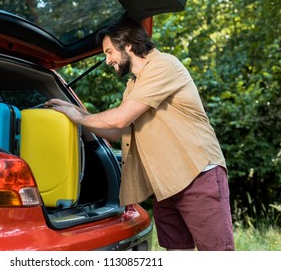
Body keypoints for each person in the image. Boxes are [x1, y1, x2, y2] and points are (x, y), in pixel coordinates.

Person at [46, 17, 235, 251]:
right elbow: (117, 131)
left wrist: (79, 117)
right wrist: (74, 111)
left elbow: (120, 117)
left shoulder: (163, 65)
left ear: (126, 45)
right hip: (165, 184)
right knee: (177, 253)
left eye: (108, 52)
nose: (107, 61)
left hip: (197, 175)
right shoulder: (133, 86)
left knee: (216, 254)